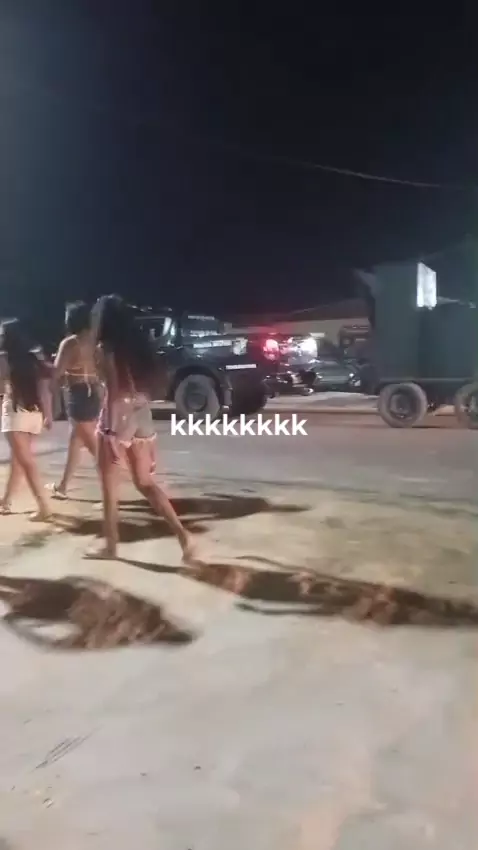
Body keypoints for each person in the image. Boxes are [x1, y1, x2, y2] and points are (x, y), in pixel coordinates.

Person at [90, 294, 196, 562]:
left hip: (118, 413)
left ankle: (111, 547)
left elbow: (113, 390)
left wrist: (110, 433)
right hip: (142, 409)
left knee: (108, 487)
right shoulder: (137, 345)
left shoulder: (106, 348)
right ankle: (184, 537)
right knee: (145, 483)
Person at [0, 319, 53, 520]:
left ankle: (44, 507)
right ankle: (6, 501)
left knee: (26, 462)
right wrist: (48, 415)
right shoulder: (33, 358)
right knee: (19, 460)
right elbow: (44, 389)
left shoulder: (4, 359)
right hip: (33, 414)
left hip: (14, 413)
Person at [48, 301, 102, 498]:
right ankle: (63, 486)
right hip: (94, 392)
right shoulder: (95, 341)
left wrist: (43, 365)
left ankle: (113, 489)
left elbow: (56, 372)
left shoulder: (70, 343)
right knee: (76, 441)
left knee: (96, 448)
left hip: (78, 395)